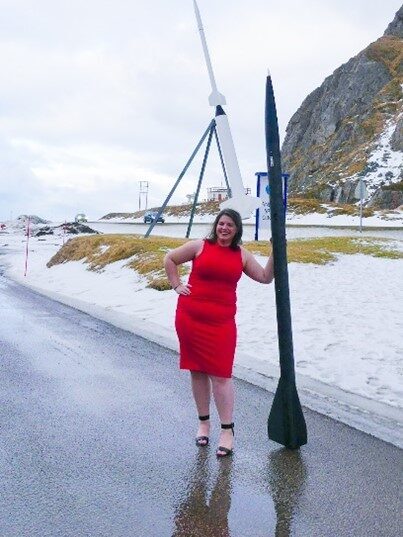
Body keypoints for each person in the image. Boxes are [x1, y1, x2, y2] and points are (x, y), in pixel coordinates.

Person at [164, 208, 274, 457]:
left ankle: (227, 430)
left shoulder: (242, 255)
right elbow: (170, 259)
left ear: (237, 230)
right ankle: (203, 424)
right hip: (190, 318)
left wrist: (276, 250)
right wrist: (177, 285)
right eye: (221, 224)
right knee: (197, 371)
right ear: (216, 225)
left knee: (221, 375)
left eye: (230, 226)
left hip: (221, 323)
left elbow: (266, 277)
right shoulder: (199, 246)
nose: (224, 229)